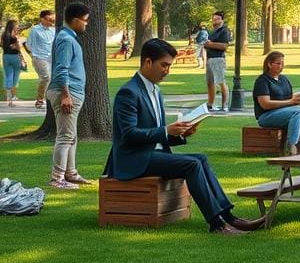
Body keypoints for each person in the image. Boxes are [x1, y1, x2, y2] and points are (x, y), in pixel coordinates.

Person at [104, 38, 264, 235]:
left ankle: (230, 218)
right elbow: (129, 135)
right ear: (147, 62)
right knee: (192, 164)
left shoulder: (155, 90)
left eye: (169, 66)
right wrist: (165, 131)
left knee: (201, 159)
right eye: (164, 65)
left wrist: (180, 134)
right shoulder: (128, 93)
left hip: (153, 154)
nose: (167, 71)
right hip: (134, 159)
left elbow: (156, 134)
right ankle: (217, 224)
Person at [47, 2, 91, 189]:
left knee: (71, 135)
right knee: (65, 136)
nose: (86, 24)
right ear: (75, 20)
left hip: (73, 92)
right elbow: (61, 69)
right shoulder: (66, 39)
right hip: (66, 92)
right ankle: (57, 179)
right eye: (84, 21)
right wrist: (66, 95)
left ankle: (70, 173)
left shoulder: (68, 37)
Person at [253, 51, 300, 155]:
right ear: (269, 64)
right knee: (298, 111)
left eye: (283, 63)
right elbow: (265, 104)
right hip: (266, 116)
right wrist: (290, 102)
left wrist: (296, 98)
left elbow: (286, 98)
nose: (281, 66)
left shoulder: (283, 79)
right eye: (278, 63)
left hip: (284, 113)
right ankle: (291, 145)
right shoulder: (262, 81)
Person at [24, 10, 56, 109]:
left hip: (51, 58)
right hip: (39, 57)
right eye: (49, 20)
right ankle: (40, 101)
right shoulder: (35, 30)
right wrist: (34, 54)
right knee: (46, 77)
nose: (51, 22)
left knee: (52, 79)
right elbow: (29, 44)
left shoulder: (53, 30)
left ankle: (51, 100)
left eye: (53, 20)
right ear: (42, 19)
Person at [204, 11, 231, 111]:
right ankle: (210, 104)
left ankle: (225, 105)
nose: (215, 20)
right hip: (210, 59)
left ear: (222, 20)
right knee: (210, 82)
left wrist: (209, 44)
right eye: (214, 19)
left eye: (217, 19)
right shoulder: (212, 31)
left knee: (220, 81)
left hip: (218, 59)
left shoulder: (224, 31)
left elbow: (224, 46)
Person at [2, 19, 24, 107]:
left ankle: (9, 98)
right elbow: (19, 47)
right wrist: (17, 45)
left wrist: (11, 46)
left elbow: (2, 45)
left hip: (6, 57)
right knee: (15, 77)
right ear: (13, 26)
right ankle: (13, 96)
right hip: (15, 57)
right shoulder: (15, 36)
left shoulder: (3, 35)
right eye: (16, 25)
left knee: (8, 76)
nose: (18, 26)